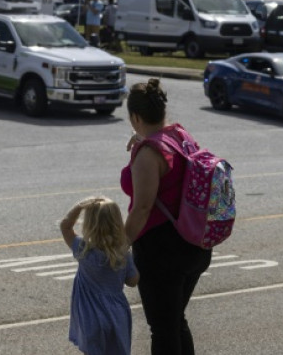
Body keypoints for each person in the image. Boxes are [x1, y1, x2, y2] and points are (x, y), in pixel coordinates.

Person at [121, 78, 213, 355]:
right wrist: (141, 138)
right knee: (174, 322)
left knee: (162, 329)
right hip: (195, 244)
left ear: (135, 117)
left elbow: (142, 208)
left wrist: (120, 246)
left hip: (163, 253)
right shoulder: (180, 135)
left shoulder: (149, 154)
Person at [60, 196, 139, 355]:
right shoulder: (122, 253)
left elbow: (65, 226)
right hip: (117, 314)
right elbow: (132, 281)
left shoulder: (83, 250)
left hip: (90, 316)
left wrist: (80, 206)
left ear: (89, 224)